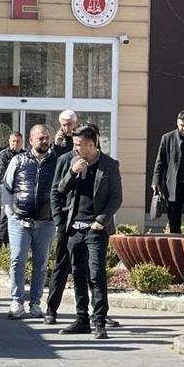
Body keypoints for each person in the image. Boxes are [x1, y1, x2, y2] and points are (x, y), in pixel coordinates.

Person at [53, 123, 122, 339]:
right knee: (78, 275)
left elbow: (116, 197)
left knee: (96, 274)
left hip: (96, 229)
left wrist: (101, 220)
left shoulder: (109, 165)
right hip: (75, 228)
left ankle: (99, 321)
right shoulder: (73, 162)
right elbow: (60, 189)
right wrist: (72, 173)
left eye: (78, 144)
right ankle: (81, 319)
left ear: (92, 145)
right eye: (74, 144)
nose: (75, 148)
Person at [2, 124, 57, 320]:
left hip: (46, 222)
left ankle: (35, 304)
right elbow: (6, 187)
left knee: (41, 264)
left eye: (47, 137)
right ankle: (17, 301)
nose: (44, 141)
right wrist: (10, 213)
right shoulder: (18, 160)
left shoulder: (56, 162)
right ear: (31, 140)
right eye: (40, 137)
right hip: (19, 221)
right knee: (17, 260)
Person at [0, 132, 24, 247]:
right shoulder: (3, 155)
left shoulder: (25, 154)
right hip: (6, 189)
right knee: (5, 215)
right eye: (13, 141)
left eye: (18, 141)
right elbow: (1, 174)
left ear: (22, 142)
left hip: (21, 190)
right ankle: (1, 242)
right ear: (9, 142)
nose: (15, 144)